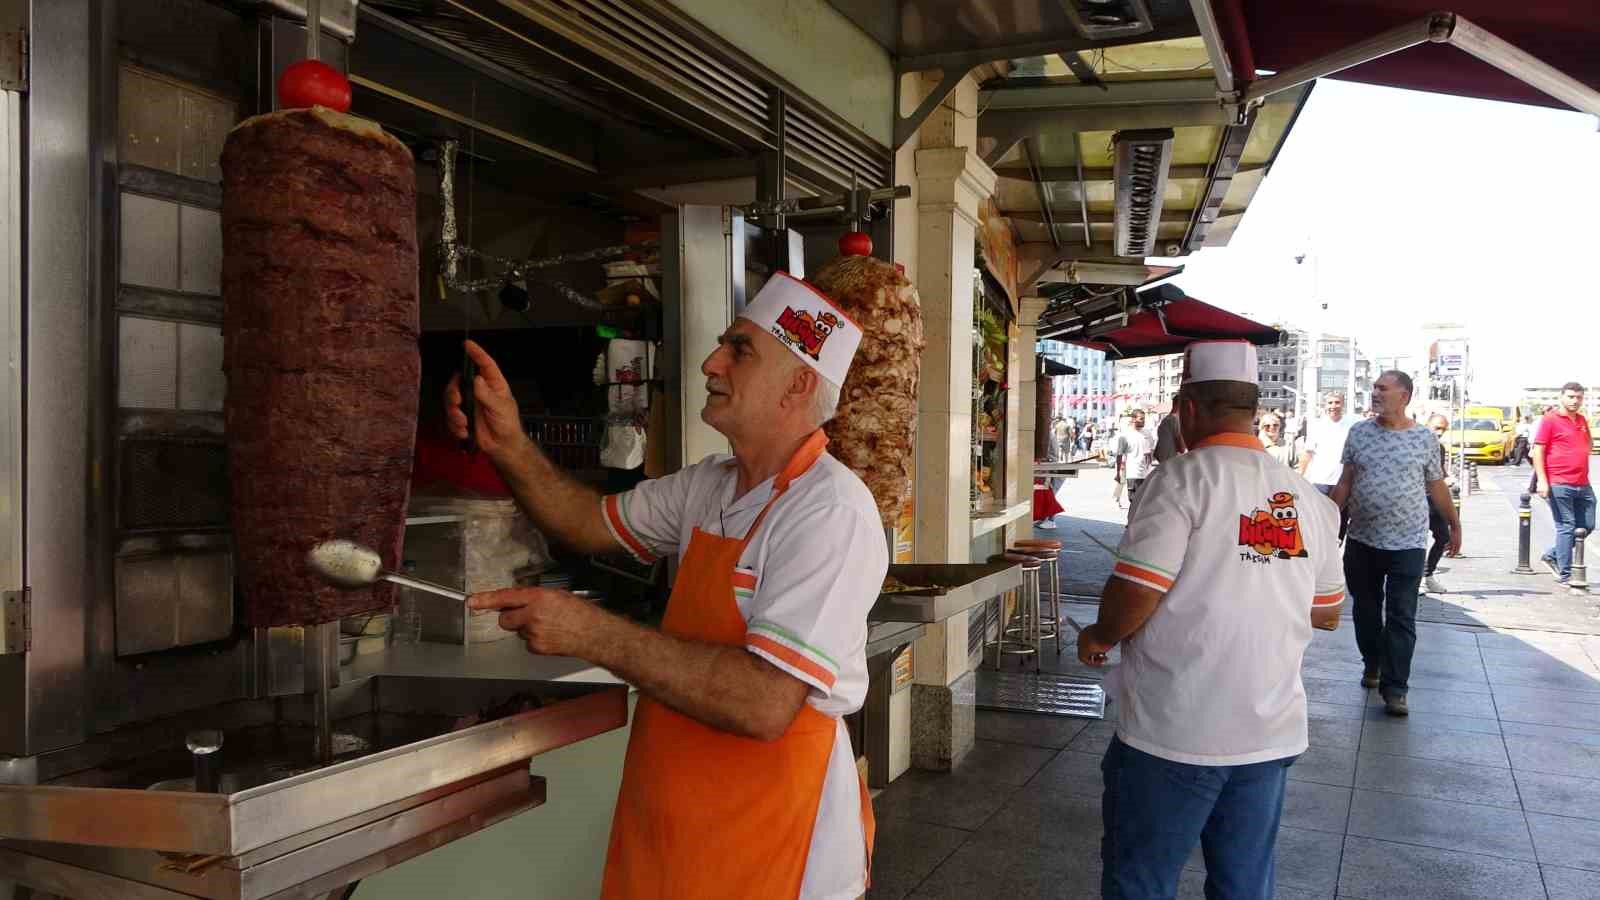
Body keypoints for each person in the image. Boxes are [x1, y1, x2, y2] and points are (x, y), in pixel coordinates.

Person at [448, 273, 883, 899]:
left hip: (775, 839)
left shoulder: (830, 512)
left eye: (739, 349)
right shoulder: (710, 484)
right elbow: (586, 523)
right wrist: (509, 443)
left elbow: (763, 703)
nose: (711, 362)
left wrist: (590, 632)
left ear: (798, 384)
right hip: (673, 829)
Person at [1077, 341, 1345, 900]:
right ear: (1252, 407)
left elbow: (1135, 592)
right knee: (1244, 885)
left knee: (1141, 881)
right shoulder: (1308, 500)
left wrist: (1100, 636)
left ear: (1187, 410)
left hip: (1175, 731)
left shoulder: (1179, 480)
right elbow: (1327, 614)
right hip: (1268, 732)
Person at [1332, 371, 1461, 717]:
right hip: (1363, 540)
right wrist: (1328, 518)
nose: (1375, 393)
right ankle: (1372, 663)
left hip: (1408, 543)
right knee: (1366, 611)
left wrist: (1453, 523)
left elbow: (1436, 485)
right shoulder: (1359, 433)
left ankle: (1396, 688)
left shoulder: (1423, 439)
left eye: (1382, 389)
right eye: (1374, 387)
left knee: (1402, 616)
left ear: (1404, 395)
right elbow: (1345, 482)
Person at [1533, 383, 1594, 585]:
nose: (1574, 401)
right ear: (1562, 397)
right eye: (1570, 396)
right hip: (1559, 482)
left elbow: (1588, 445)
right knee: (1567, 526)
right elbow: (1538, 451)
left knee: (1587, 525)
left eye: (1578, 397)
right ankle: (1566, 573)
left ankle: (1553, 555)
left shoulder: (1582, 420)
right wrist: (1542, 480)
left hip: (1582, 483)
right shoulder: (1550, 420)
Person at [1422, 414, 1455, 595]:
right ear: (1427, 425)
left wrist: (1447, 478)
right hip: (1417, 500)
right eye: (1436, 428)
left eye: (1443, 429)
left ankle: (1428, 575)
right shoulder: (1416, 444)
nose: (1439, 432)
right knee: (1419, 540)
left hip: (1434, 499)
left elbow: (1439, 471)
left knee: (1443, 537)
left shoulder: (1440, 448)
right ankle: (1418, 579)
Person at [1299, 392, 1353, 494]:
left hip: (1343, 481)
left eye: (1337, 402)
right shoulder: (1316, 426)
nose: (1333, 406)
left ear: (1343, 404)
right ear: (1325, 406)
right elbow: (1307, 454)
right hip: (1320, 481)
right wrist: (1300, 476)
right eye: (1330, 403)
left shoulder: (1352, 425)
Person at [1113, 408, 1158, 507]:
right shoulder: (1125, 435)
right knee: (1135, 502)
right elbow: (1119, 455)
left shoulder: (1147, 433)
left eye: (1144, 419)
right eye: (1141, 419)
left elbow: (1151, 450)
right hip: (1133, 473)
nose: (1143, 421)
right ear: (1133, 419)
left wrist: (1150, 462)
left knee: (1145, 503)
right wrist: (1118, 473)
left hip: (1146, 473)